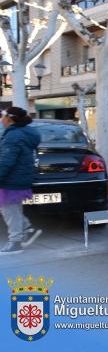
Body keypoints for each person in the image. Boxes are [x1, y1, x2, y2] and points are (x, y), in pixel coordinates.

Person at [0, 107, 42, 255]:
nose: (1, 119)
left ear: (10, 119)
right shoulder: (23, 133)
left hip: (12, 178)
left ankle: (15, 243)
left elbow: (6, 161)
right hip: (19, 177)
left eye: (3, 116)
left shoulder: (14, 136)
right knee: (12, 209)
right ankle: (27, 229)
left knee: (9, 210)